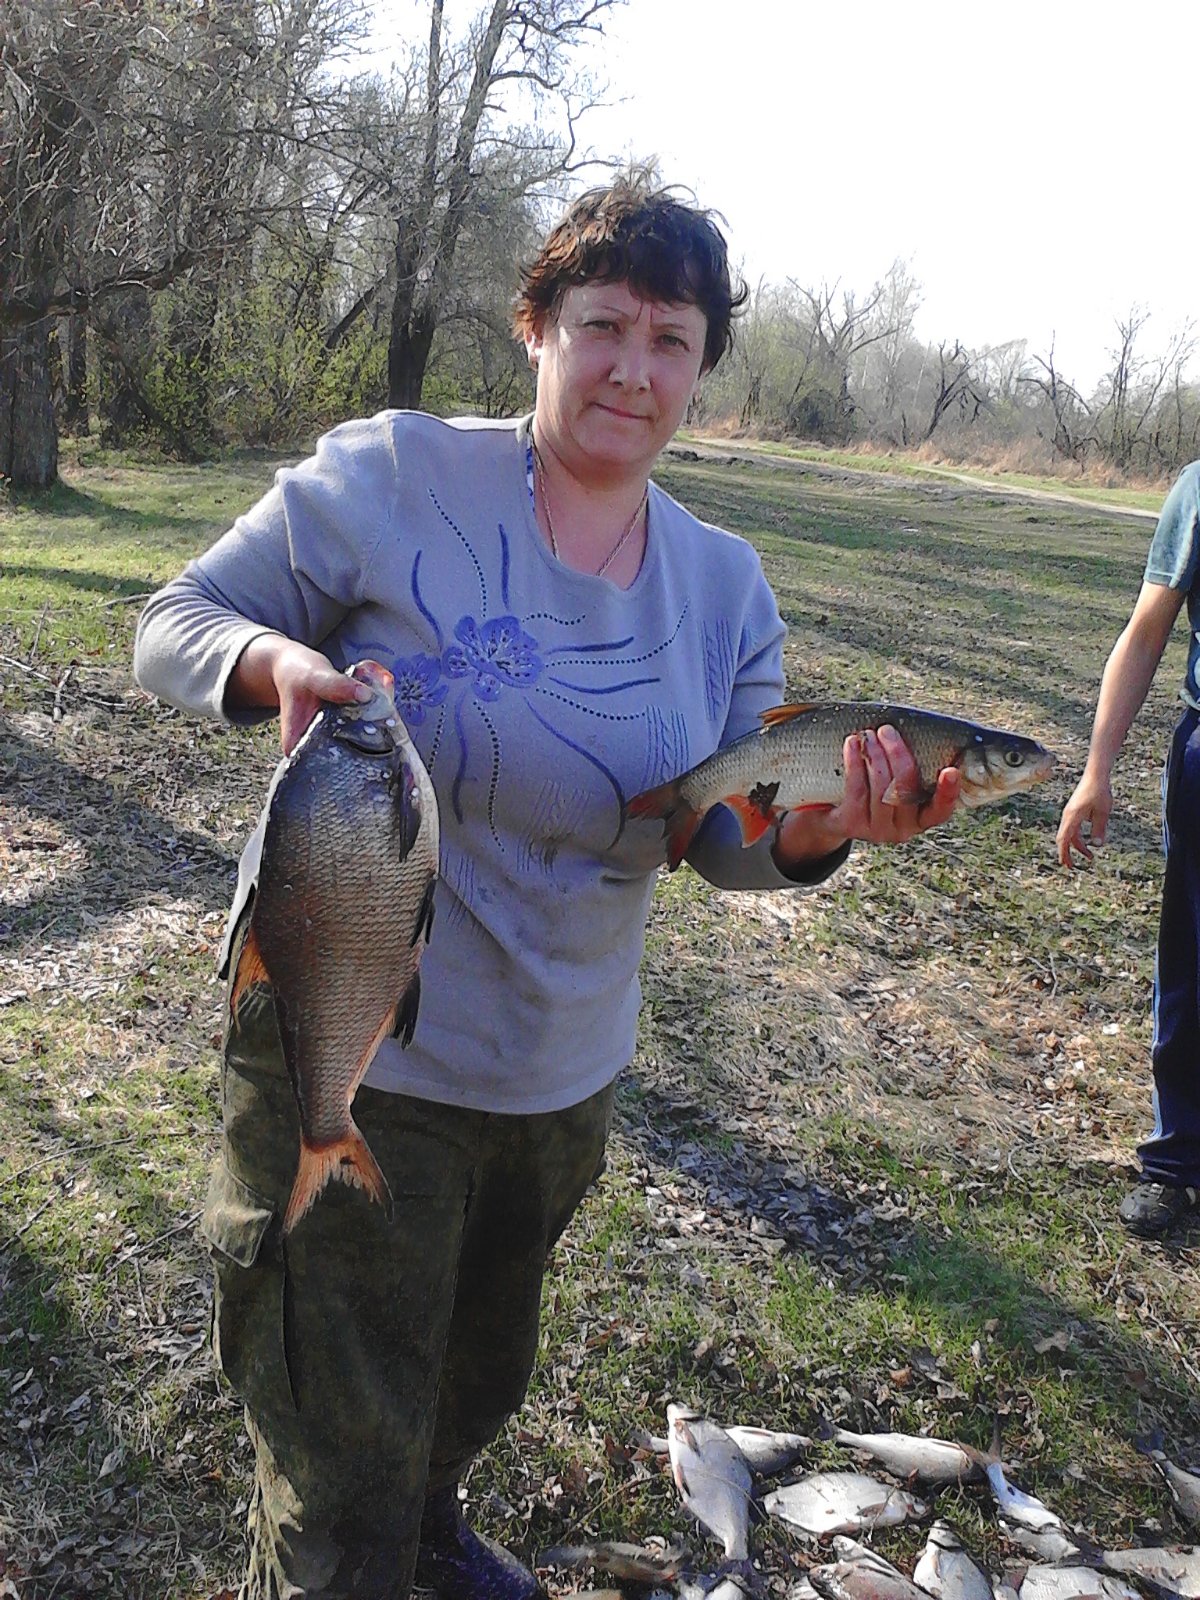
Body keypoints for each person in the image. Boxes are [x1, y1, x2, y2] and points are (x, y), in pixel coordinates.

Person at [134, 174, 960, 1600]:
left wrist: (827, 837)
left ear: (703, 366)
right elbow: (173, 624)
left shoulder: (724, 589)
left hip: (556, 1084)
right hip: (357, 1046)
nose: (633, 369)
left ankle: (430, 1530)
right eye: (603, 325)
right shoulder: (393, 477)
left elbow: (719, 842)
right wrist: (280, 668)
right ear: (537, 328)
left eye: (672, 340)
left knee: (467, 1386)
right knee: (338, 1477)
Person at [1057, 461, 1200, 1238]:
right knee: (1192, 968)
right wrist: (1096, 771)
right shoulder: (1198, 491)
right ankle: (1176, 1161)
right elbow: (1144, 635)